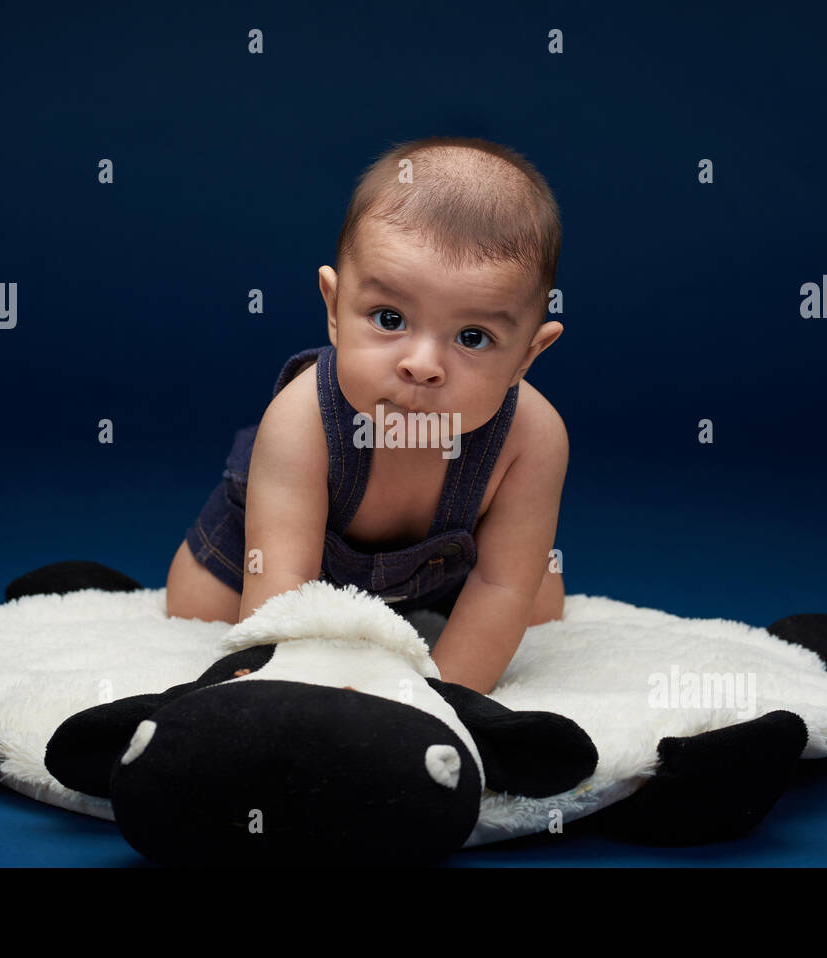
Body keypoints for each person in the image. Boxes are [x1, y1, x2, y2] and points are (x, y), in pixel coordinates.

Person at [166, 135, 567, 695]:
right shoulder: (302, 418)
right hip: (273, 552)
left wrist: (440, 703)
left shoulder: (533, 437)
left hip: (436, 571)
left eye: (472, 337)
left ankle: (428, 616)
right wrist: (300, 686)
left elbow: (501, 583)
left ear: (528, 355)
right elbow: (280, 588)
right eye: (388, 318)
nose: (422, 365)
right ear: (334, 309)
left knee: (535, 601)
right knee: (195, 613)